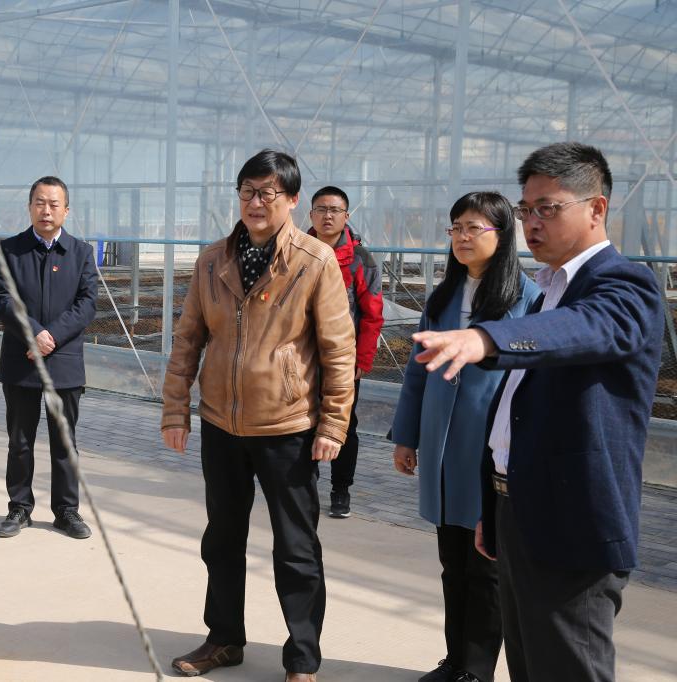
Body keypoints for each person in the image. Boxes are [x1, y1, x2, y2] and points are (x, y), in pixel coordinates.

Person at [411, 142, 663, 682]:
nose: (532, 223)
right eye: (526, 209)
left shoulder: (624, 285)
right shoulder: (550, 288)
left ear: (596, 209)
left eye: (548, 208)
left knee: (568, 667)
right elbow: (515, 412)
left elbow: (581, 329)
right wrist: (494, 502)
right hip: (517, 510)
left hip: (572, 521)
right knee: (527, 665)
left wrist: (485, 338)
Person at [162, 149, 356, 682]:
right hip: (221, 424)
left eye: (267, 193)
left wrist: (333, 423)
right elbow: (188, 339)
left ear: (291, 199)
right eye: (247, 191)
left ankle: (302, 658)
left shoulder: (315, 261)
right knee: (221, 539)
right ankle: (223, 639)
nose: (255, 202)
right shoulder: (212, 261)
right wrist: (175, 409)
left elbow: (338, 350)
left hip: (287, 427)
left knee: (296, 547)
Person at [390, 192, 541, 682]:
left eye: (474, 227)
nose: (462, 237)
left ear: (503, 234)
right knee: (452, 560)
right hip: (442, 443)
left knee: (486, 565)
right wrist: (407, 436)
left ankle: (476, 670)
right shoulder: (444, 297)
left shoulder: (528, 298)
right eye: (456, 227)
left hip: (490, 446)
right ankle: (454, 661)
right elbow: (417, 372)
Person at [0, 176, 97, 540]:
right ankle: (19, 508)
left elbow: (87, 303)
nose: (46, 210)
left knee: (64, 441)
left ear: (66, 210)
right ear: (30, 207)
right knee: (20, 440)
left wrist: (52, 336)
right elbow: (3, 299)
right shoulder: (10, 251)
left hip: (64, 361)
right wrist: (34, 333)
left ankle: (66, 511)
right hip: (21, 360)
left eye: (53, 204)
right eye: (39, 202)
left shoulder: (81, 253)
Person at [307, 186, 383, 518]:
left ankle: (341, 489)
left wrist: (362, 359)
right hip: (301, 358)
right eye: (321, 209)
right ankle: (305, 485)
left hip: (343, 360)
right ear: (310, 214)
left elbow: (372, 314)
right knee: (302, 421)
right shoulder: (297, 251)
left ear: (346, 216)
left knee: (344, 425)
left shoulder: (361, 260)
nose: (327, 216)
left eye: (334, 210)